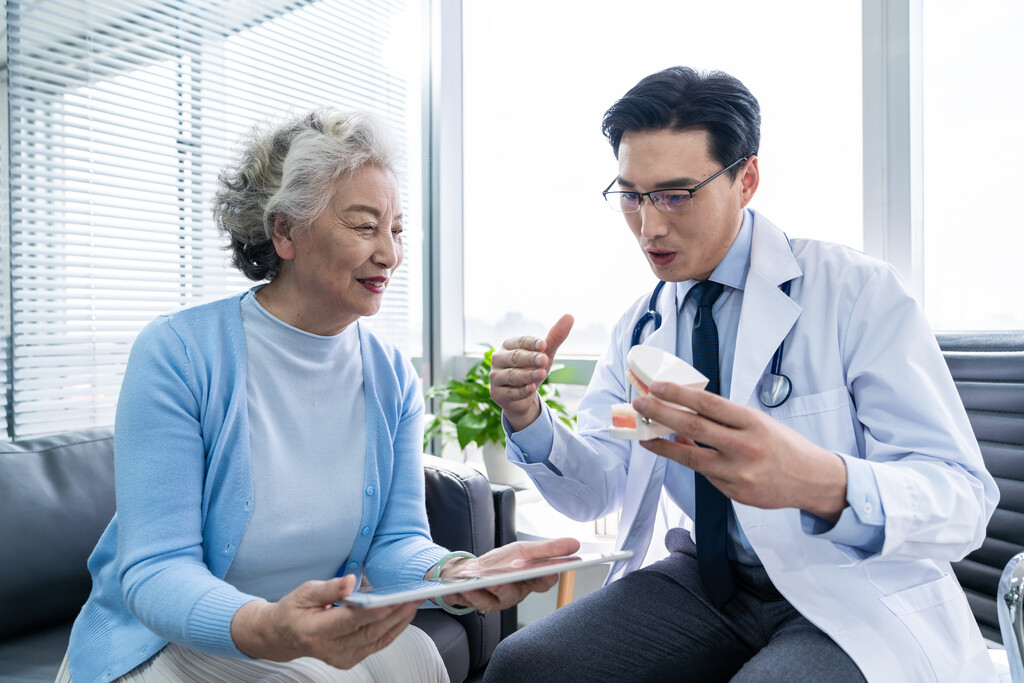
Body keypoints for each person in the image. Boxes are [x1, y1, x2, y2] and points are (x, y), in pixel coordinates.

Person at [483, 67, 1000, 682]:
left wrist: (821, 482)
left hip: (846, 582)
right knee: (527, 666)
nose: (649, 226)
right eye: (632, 196)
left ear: (745, 179)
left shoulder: (855, 292)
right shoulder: (641, 327)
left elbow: (964, 499)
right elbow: (599, 487)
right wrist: (529, 419)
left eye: (676, 194)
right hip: (706, 581)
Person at [59, 109, 577, 683]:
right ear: (285, 232)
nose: (390, 253)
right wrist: (266, 628)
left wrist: (458, 574)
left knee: (418, 658)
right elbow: (156, 570)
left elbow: (395, 542)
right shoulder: (178, 353)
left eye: (397, 229)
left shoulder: (389, 375)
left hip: (303, 628)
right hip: (164, 640)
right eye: (364, 226)